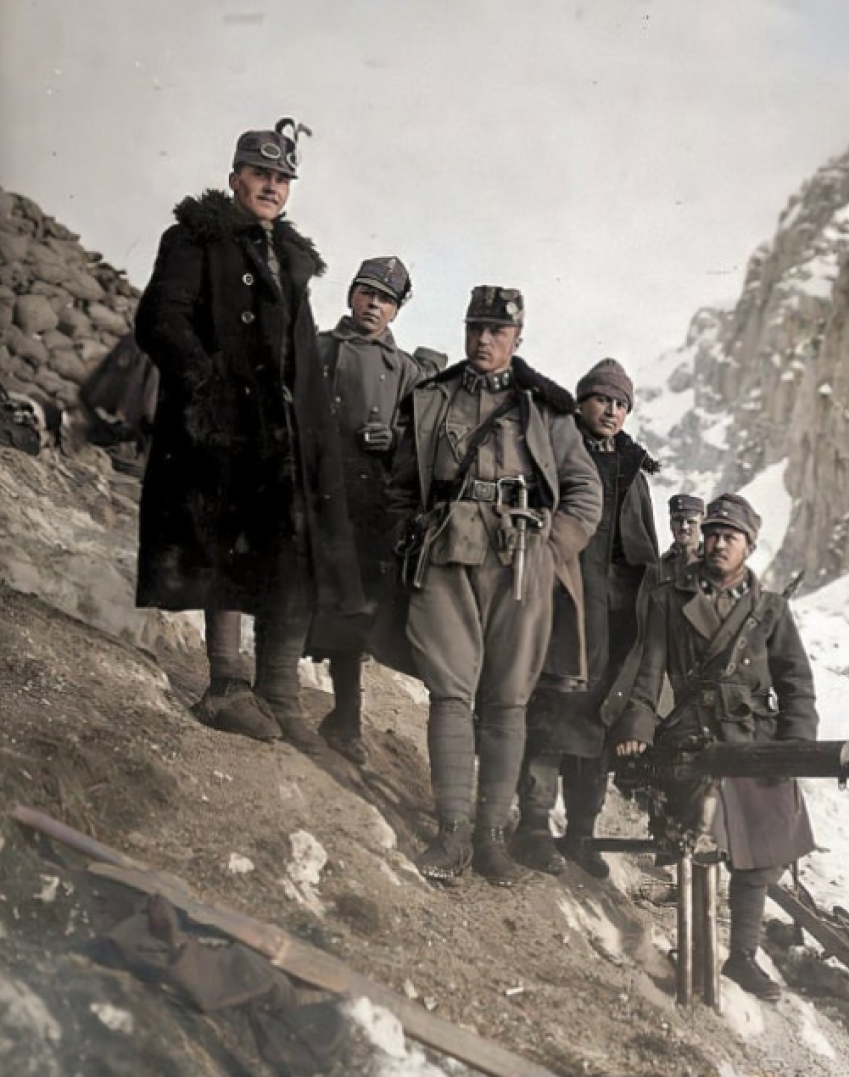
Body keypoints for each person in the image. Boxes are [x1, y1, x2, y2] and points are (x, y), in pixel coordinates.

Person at [135, 118, 362, 754]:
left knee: (284, 551)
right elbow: (158, 319)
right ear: (235, 178)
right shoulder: (194, 239)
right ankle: (224, 685)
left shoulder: (287, 259)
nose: (271, 186)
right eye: (260, 174)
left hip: (279, 433)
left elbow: (297, 355)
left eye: (282, 178)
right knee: (221, 548)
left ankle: (278, 695)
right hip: (221, 428)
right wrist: (208, 386)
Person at [387, 286, 602, 886]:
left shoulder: (547, 412)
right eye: (476, 329)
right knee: (451, 692)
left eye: (497, 333)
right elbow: (402, 485)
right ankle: (452, 832)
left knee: (507, 699)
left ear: (517, 341)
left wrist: (551, 550)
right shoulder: (432, 398)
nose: (484, 341)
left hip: (521, 562)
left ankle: (491, 839)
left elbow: (586, 492)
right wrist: (412, 532)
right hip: (448, 554)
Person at [612, 493, 819, 1001]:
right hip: (693, 731)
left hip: (756, 739)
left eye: (732, 536)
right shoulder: (669, 598)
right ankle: (690, 946)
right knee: (695, 837)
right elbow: (648, 669)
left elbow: (797, 685)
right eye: (714, 534)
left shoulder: (770, 611)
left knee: (763, 849)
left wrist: (794, 747)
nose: (720, 543)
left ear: (749, 547)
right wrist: (637, 724)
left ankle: (742, 958)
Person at [515, 359, 658, 878]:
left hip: (615, 623)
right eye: (603, 400)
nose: (612, 411)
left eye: (621, 404)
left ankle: (580, 833)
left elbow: (644, 550)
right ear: (582, 401)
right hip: (563, 607)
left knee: (598, 725)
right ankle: (531, 826)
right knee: (551, 715)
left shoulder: (634, 470)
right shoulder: (559, 448)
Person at [306, 256, 425, 765]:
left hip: (369, 512)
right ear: (351, 295)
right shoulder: (319, 348)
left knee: (350, 616)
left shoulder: (407, 372)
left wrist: (393, 438)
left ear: (396, 311)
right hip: (315, 496)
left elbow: (422, 441)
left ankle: (346, 717)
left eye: (386, 299)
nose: (374, 305)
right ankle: (275, 694)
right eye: (367, 293)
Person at [659, 493, 704, 582]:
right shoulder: (659, 566)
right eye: (678, 520)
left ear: (702, 524)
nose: (684, 526)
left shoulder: (714, 562)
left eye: (691, 521)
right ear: (671, 524)